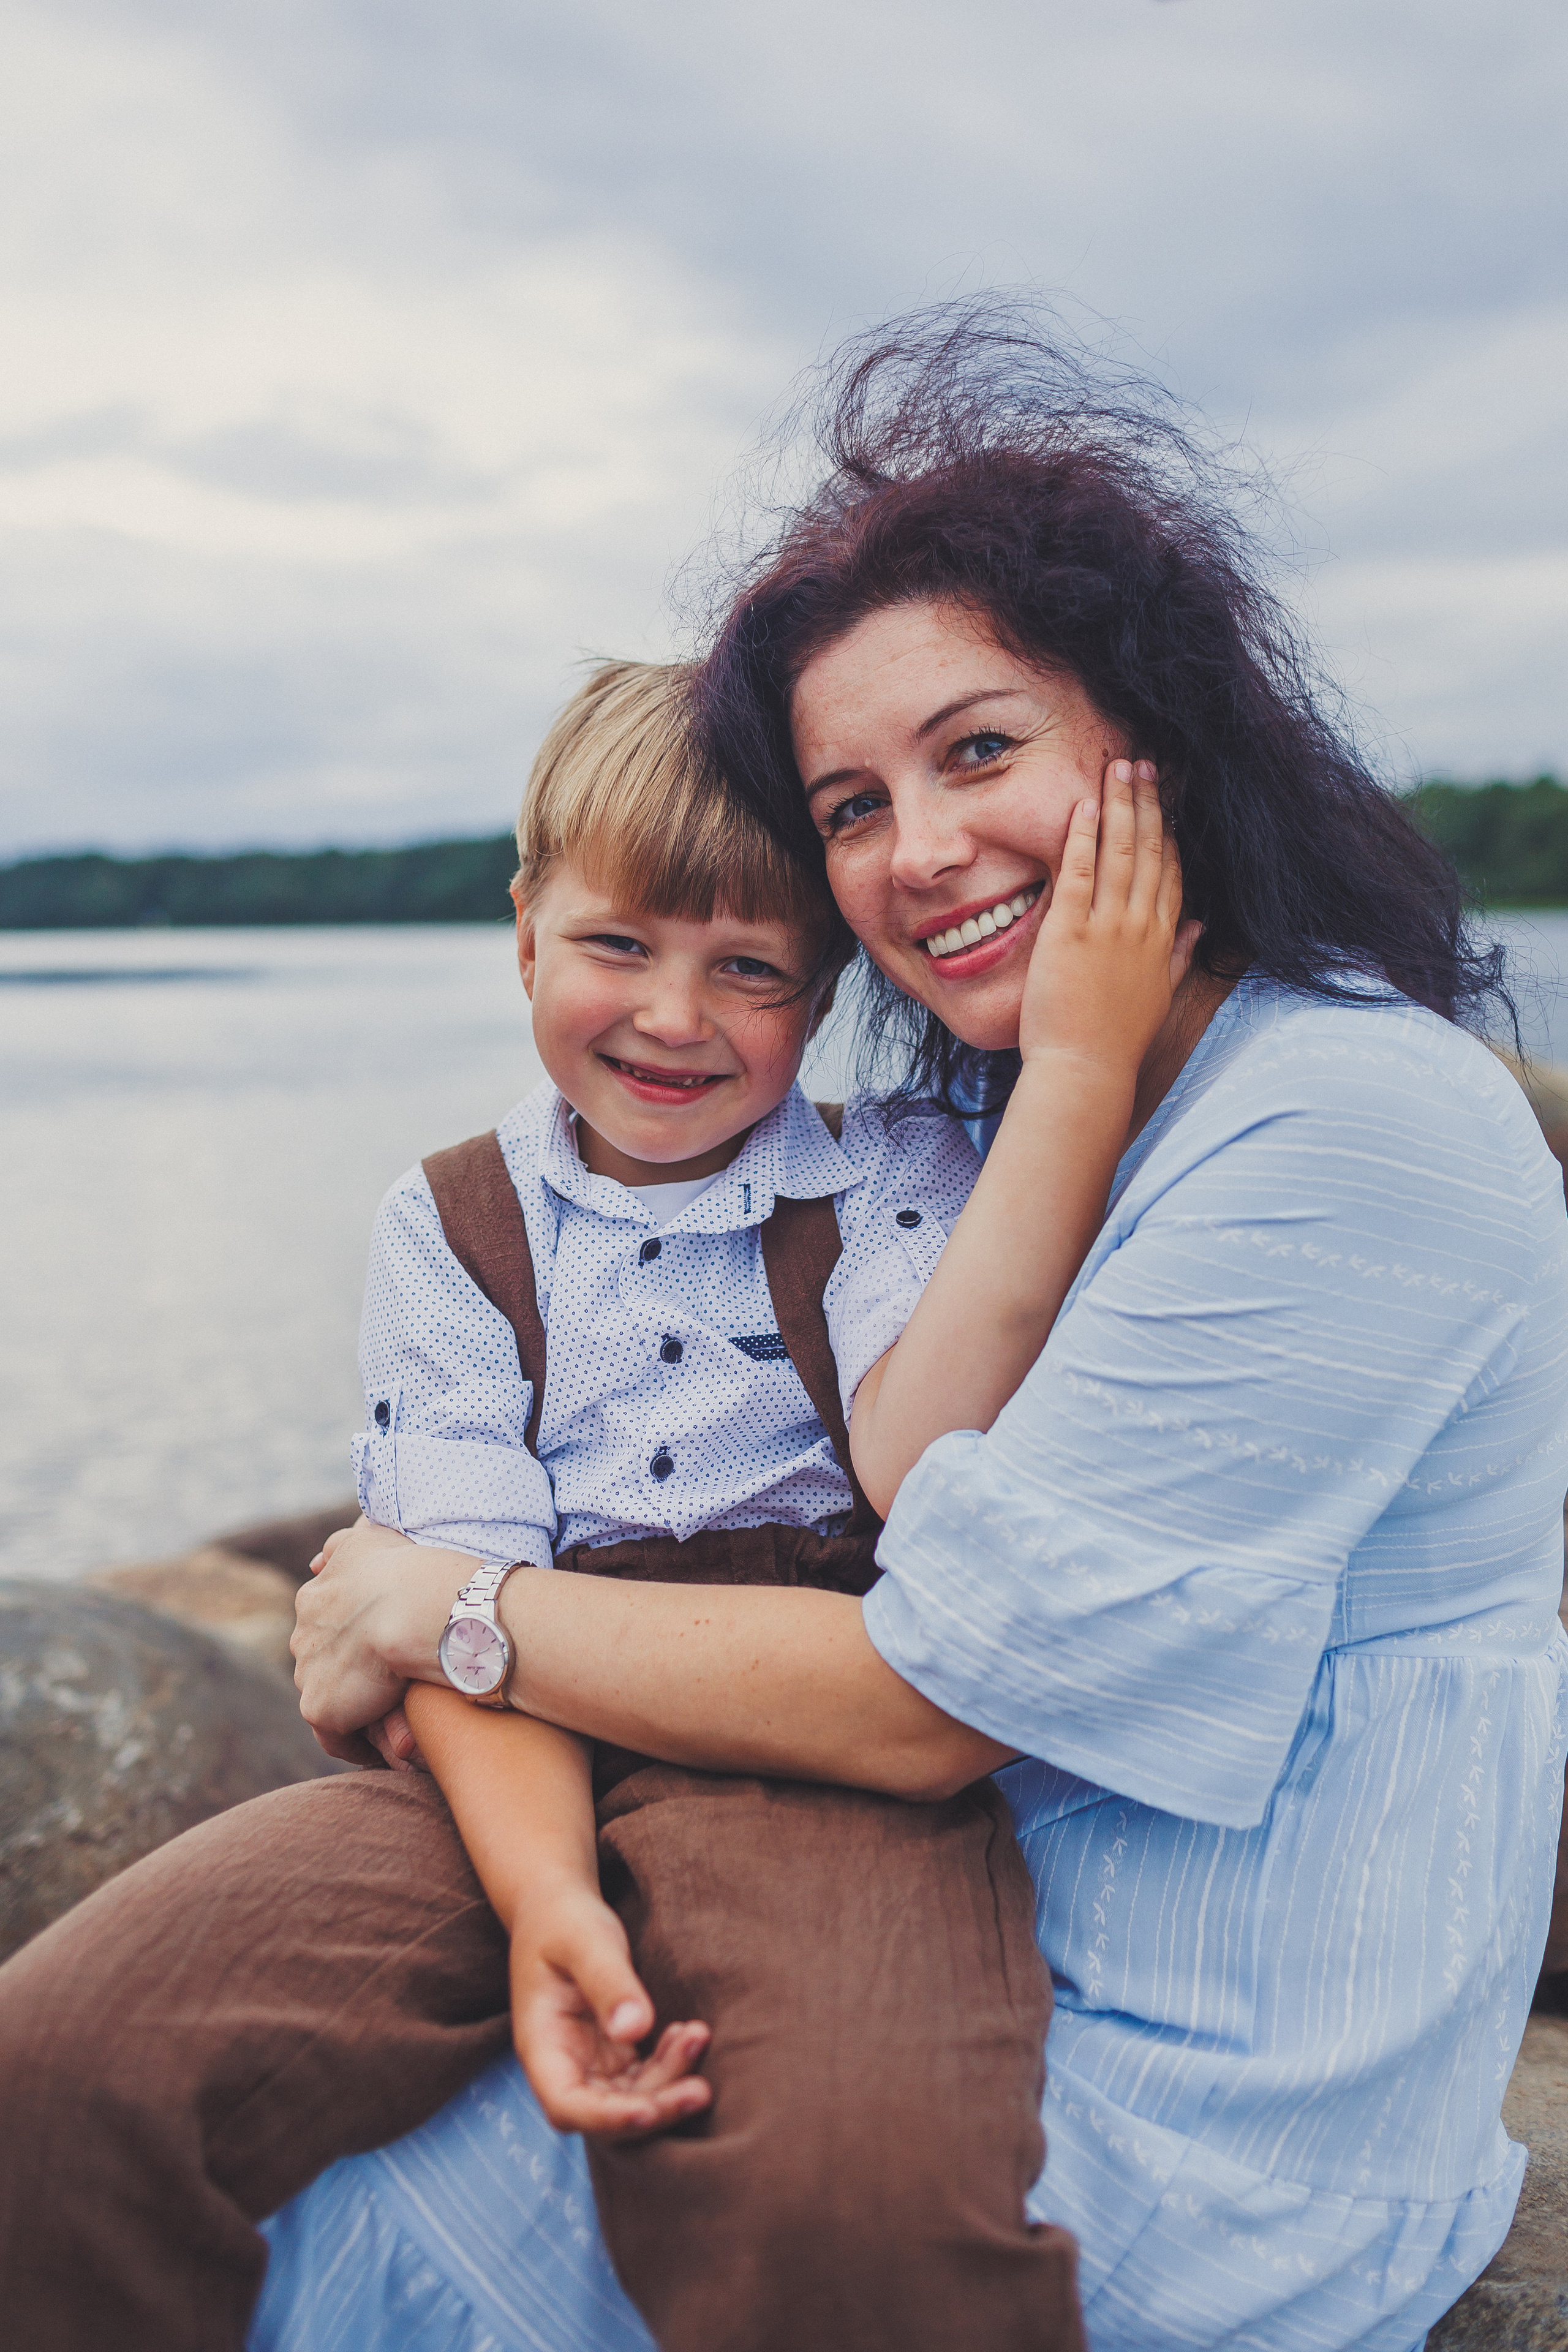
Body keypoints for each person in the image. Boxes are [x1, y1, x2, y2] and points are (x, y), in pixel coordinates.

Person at [271, 308, 1568, 2352]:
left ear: (1162, 737)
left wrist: (433, 1600)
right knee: (169, 2086)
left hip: (1187, 2116)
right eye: (851, 804)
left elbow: (926, 1695)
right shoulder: (994, 1116)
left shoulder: (1355, 1122)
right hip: (936, 1961)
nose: (922, 854)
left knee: (315, 2224)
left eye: (981, 751)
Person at [0, 647, 1184, 2352]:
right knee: (60, 2065)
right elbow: (457, 1583)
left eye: (752, 969)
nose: (674, 1016)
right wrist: (550, 1902)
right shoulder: (455, 1225)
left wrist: (1079, 1073)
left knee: (854, 2186)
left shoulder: (903, 1176)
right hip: (498, 1738)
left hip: (812, 1747)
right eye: (619, 942)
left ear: (831, 985)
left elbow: (925, 1476)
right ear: (525, 929)